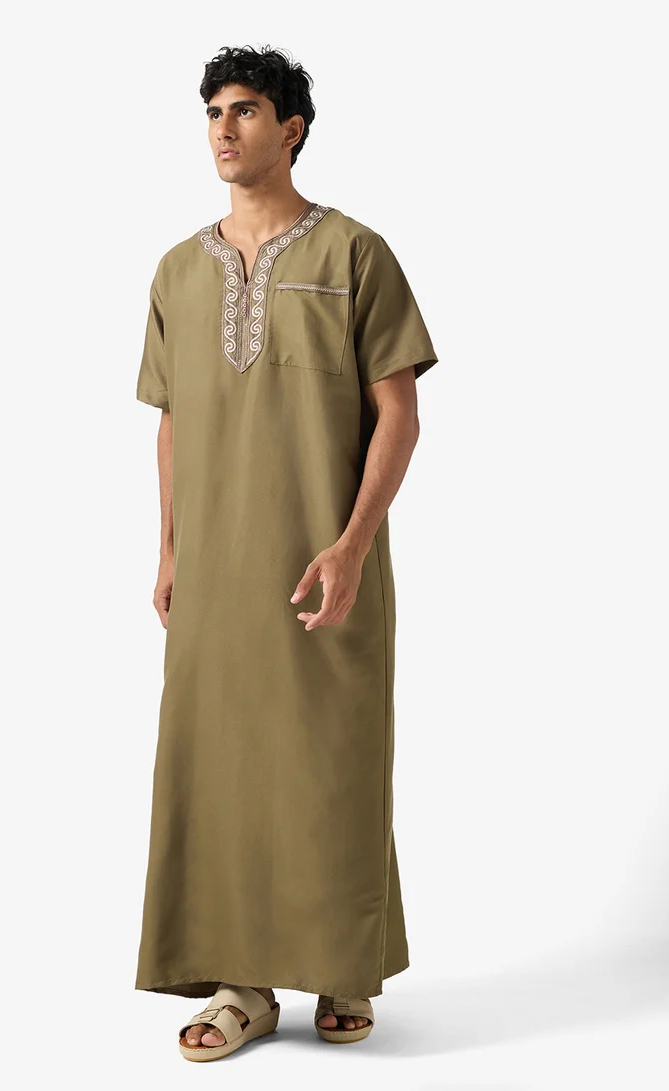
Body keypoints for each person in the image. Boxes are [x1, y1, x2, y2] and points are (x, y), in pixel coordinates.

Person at [133, 44, 439, 1062]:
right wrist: (168, 548)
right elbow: (173, 417)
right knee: (219, 764)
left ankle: (344, 962)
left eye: (246, 110)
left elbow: (398, 414)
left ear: (291, 128)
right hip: (214, 574)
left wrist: (352, 545)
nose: (224, 129)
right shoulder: (178, 271)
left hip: (324, 568)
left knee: (332, 760)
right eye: (213, 112)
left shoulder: (355, 254)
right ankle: (242, 981)